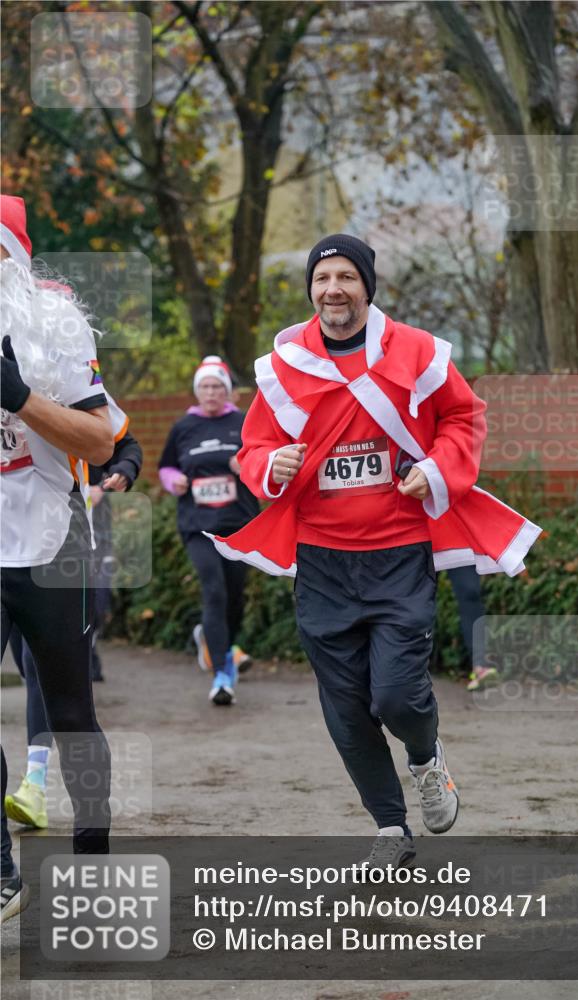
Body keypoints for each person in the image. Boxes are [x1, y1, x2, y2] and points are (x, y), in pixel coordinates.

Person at [207, 234, 541, 867]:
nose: (333, 288)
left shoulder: (417, 352)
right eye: (322, 277)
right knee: (345, 708)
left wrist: (439, 468)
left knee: (394, 695)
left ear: (367, 286)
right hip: (322, 560)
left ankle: (426, 758)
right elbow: (252, 450)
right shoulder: (282, 368)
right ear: (311, 288)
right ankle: (390, 826)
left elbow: (463, 419)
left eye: (346, 277)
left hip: (399, 554)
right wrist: (270, 464)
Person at [0, 195, 113, 921]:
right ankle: (1, 874)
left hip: (51, 542)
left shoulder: (56, 327)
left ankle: (92, 873)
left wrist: (19, 396)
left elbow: (100, 443)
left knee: (71, 711)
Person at [4, 401, 142, 830]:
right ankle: (8, 864)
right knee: (35, 675)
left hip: (63, 555)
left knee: (47, 681)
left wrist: (124, 471)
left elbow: (124, 444)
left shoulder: (60, 368)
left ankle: (38, 783)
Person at [158, 357, 259, 705]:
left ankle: (212, 640)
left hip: (239, 524)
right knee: (214, 591)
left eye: (217, 386)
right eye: (205, 386)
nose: (211, 392)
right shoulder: (184, 426)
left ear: (227, 390)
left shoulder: (244, 423)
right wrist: (175, 481)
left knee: (235, 597)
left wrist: (245, 464)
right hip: (197, 525)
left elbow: (262, 458)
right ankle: (222, 674)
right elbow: (166, 466)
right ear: (197, 391)